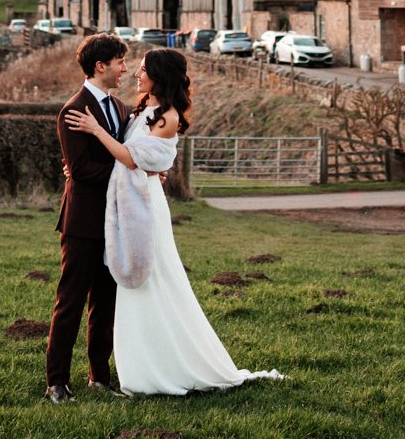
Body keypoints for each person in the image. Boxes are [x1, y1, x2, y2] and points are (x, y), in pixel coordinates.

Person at [62, 49, 282, 396]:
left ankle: (164, 365)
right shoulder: (142, 111)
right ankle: (139, 364)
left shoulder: (167, 116)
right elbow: (127, 157)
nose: (136, 73)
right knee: (135, 287)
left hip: (145, 211)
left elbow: (130, 157)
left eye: (143, 69)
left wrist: (94, 130)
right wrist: (79, 167)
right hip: (129, 205)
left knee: (155, 279)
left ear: (159, 76)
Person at [45, 34, 129, 402]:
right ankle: (57, 383)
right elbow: (80, 169)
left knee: (106, 304)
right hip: (82, 222)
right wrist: (130, 171)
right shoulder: (74, 109)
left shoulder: (121, 108)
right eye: (120, 62)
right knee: (71, 302)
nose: (124, 68)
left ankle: (100, 378)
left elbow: (123, 152)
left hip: (116, 222)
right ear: (101, 66)